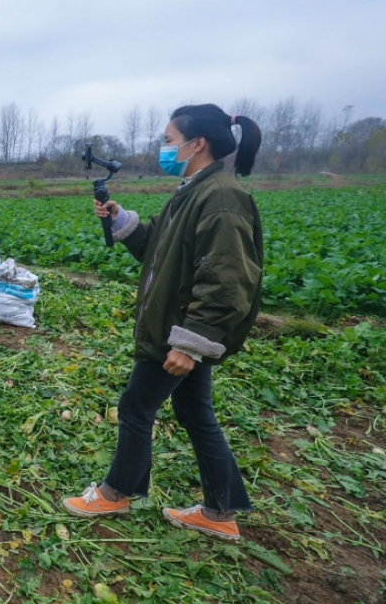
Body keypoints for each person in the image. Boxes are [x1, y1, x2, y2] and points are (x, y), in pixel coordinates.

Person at [61, 104, 264, 542]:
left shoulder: (223, 198)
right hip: (179, 327)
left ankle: (117, 492)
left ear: (198, 144)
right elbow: (160, 247)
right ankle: (219, 512)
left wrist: (191, 343)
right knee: (195, 413)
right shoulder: (193, 189)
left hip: (179, 331)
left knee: (136, 407)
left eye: (170, 140)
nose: (165, 147)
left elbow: (227, 280)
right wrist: (121, 221)